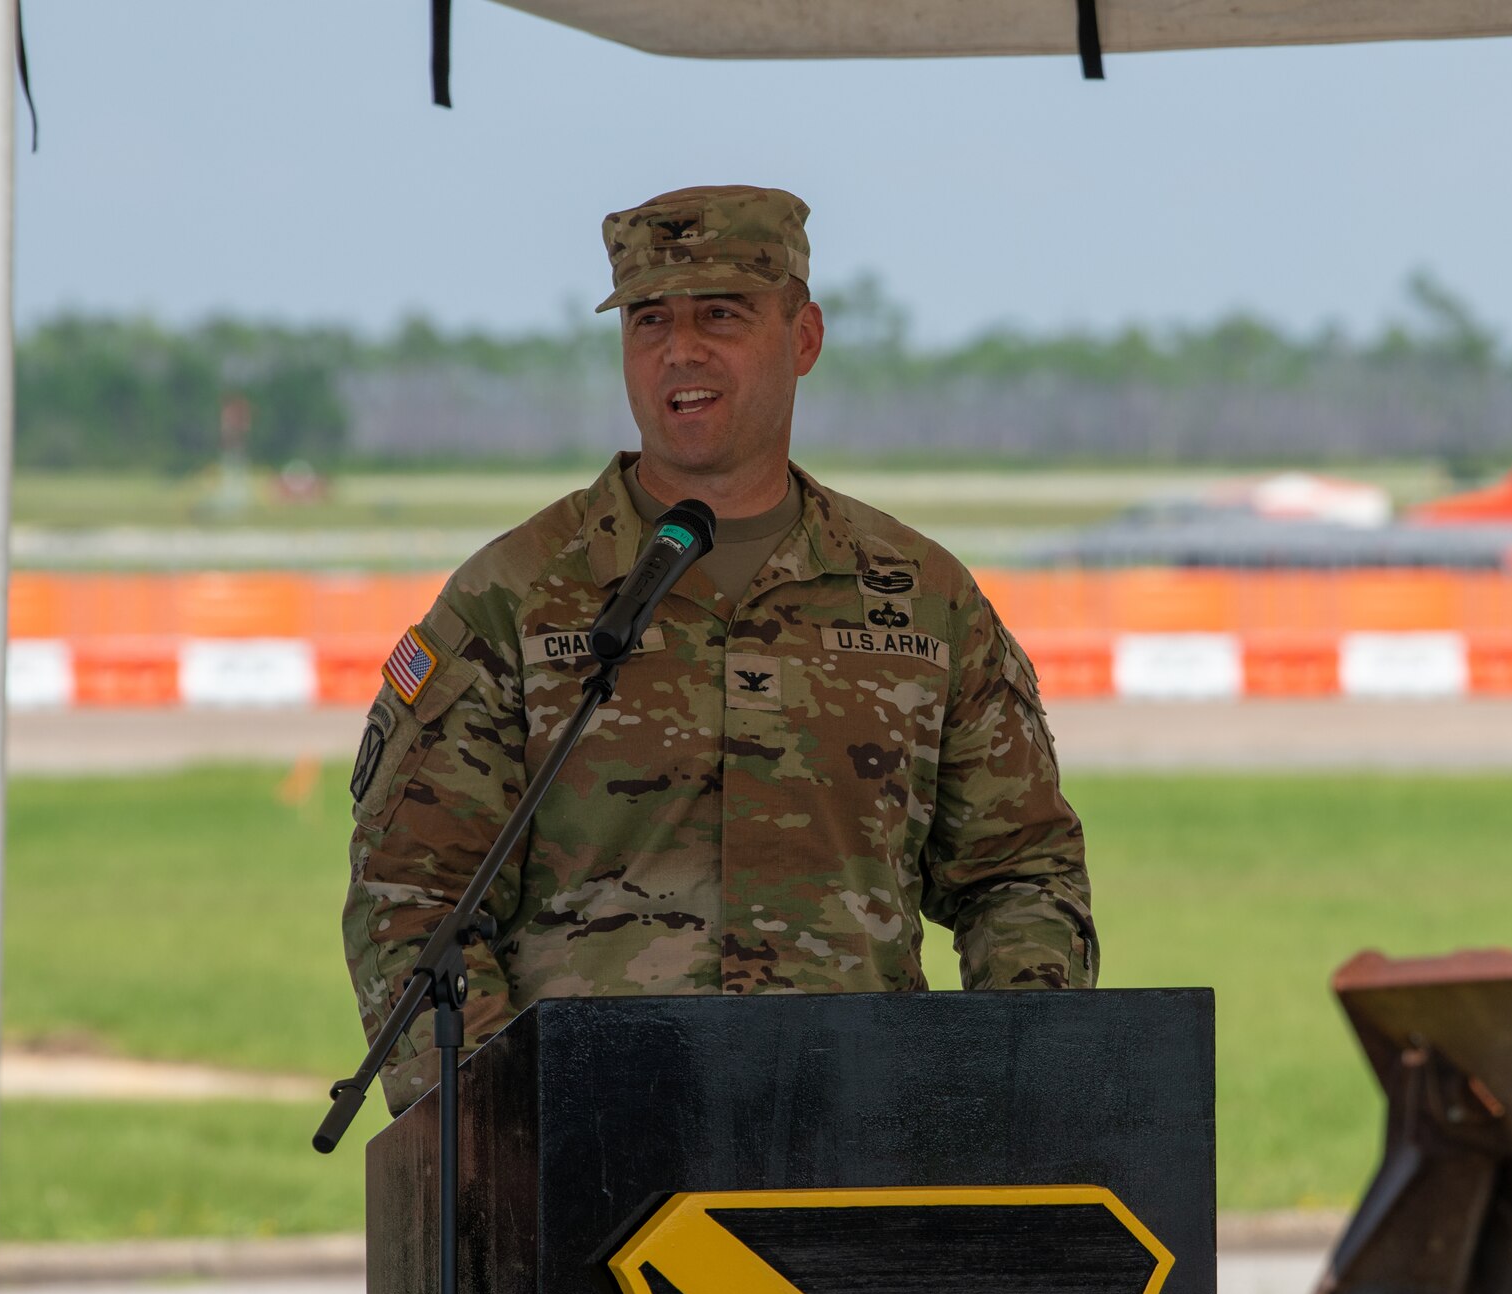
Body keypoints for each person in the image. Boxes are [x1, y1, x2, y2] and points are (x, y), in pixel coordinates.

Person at [342, 185, 1096, 1113]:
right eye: (649, 320)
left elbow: (1021, 871)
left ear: (805, 337)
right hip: (590, 1162)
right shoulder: (516, 596)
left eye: (722, 316)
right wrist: (506, 1134)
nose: (680, 350)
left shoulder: (925, 601)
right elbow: (411, 897)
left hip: (859, 1146)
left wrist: (1007, 1087)